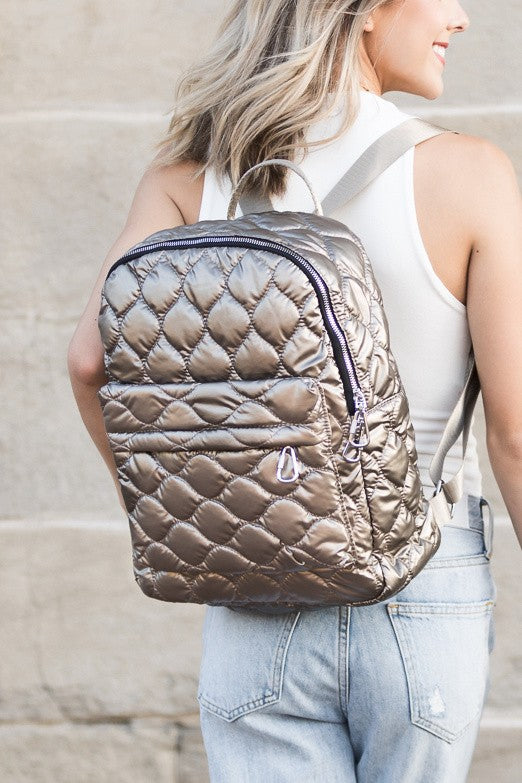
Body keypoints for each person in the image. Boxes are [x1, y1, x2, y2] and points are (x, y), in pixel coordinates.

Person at [67, 1, 522, 780]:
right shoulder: (470, 174)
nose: (460, 17)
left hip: (258, 580)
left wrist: (186, 512)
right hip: (422, 580)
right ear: (365, 11)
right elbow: (514, 432)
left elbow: (89, 362)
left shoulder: (185, 181)